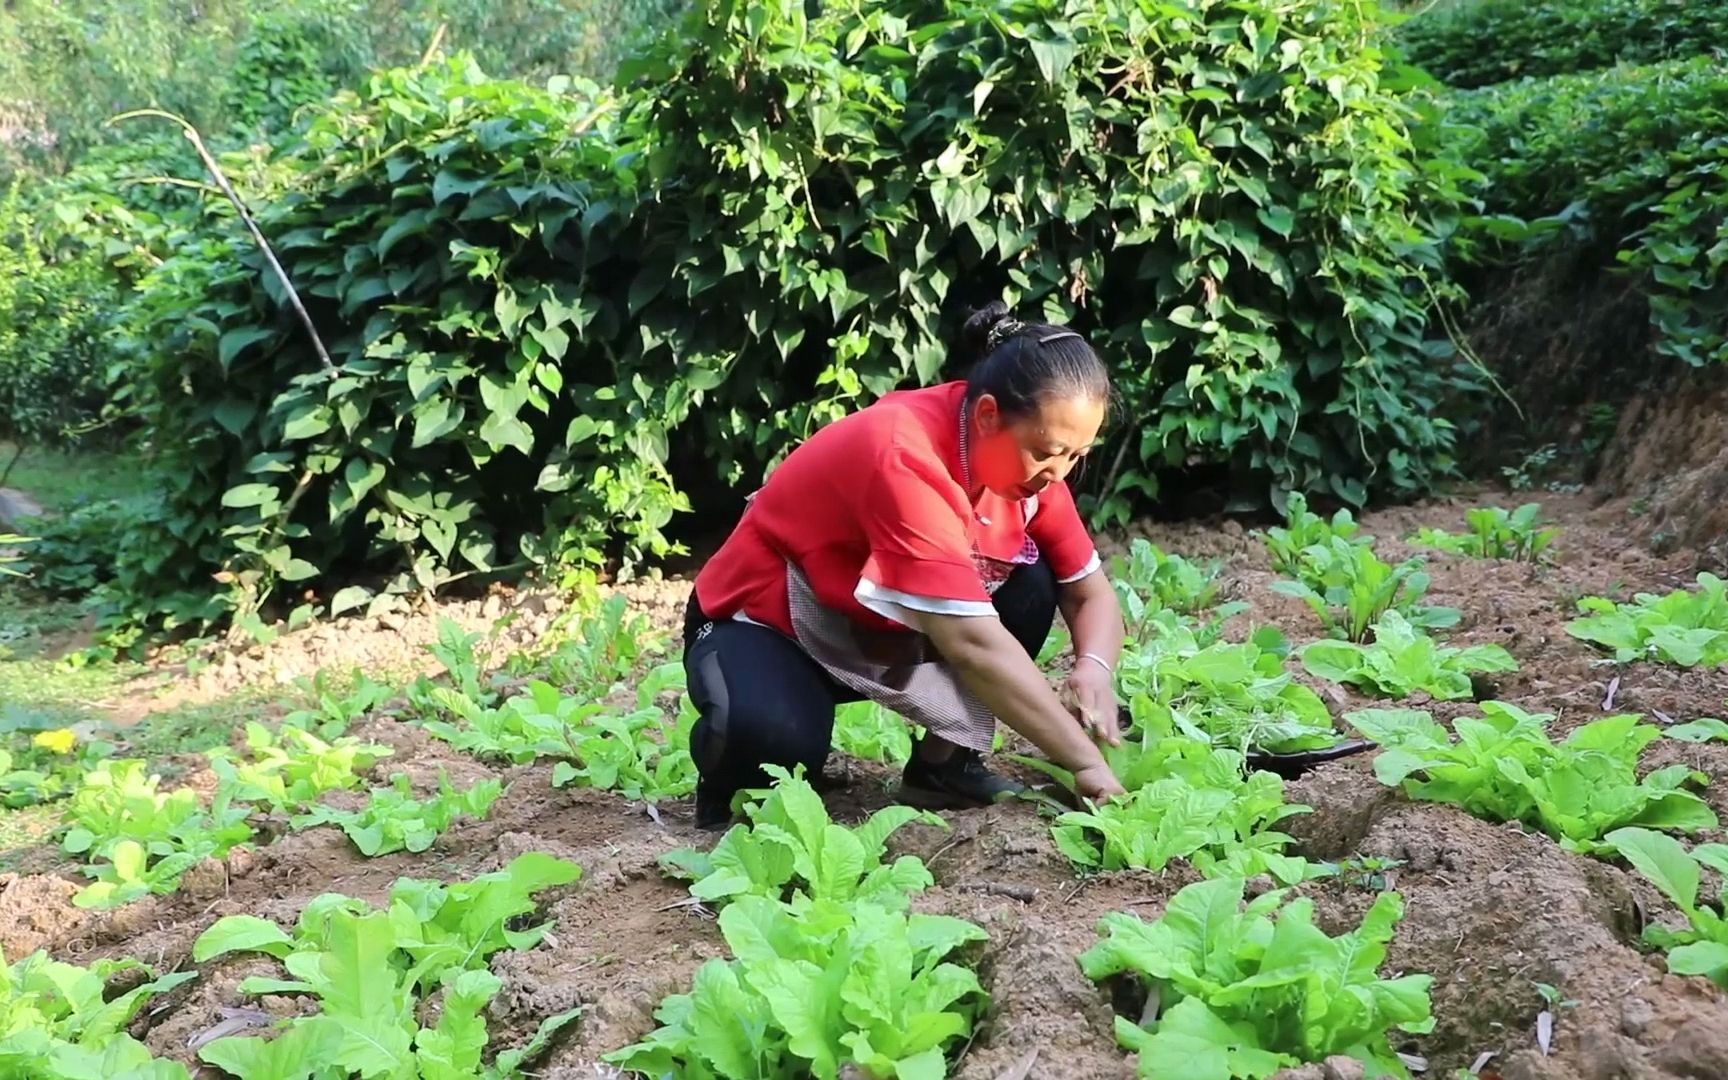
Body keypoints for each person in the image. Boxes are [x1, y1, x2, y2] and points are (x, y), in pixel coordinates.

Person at [680, 300, 1130, 828]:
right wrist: (1085, 762)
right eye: (1049, 451)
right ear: (987, 415)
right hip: (769, 624)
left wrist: (1094, 668)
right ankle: (730, 789)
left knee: (1031, 582)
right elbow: (973, 645)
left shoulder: (1032, 467)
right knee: (769, 740)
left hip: (877, 627)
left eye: (1077, 456)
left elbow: (1089, 591)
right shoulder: (902, 452)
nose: (1059, 472)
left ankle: (942, 770)